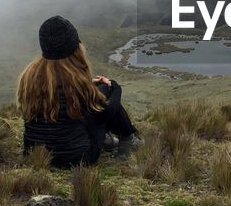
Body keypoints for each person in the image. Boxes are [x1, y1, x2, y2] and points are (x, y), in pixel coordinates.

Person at [17, 15, 142, 167]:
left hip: (35, 154)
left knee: (97, 93)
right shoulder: (76, 81)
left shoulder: (29, 76)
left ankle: (112, 139)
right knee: (104, 91)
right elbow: (106, 112)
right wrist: (115, 87)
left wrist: (90, 86)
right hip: (79, 158)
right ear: (74, 47)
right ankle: (127, 139)